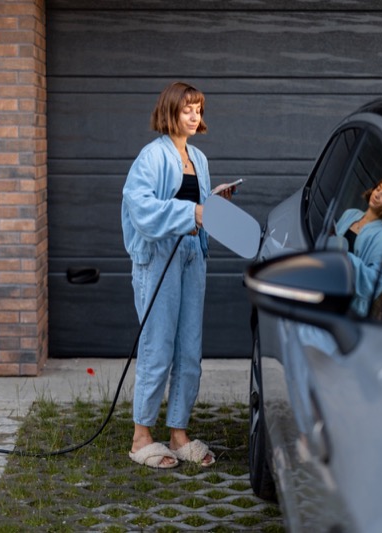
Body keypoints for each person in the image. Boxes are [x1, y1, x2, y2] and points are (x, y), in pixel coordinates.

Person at [121, 81, 234, 469]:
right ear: (170, 111)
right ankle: (141, 437)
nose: (194, 115)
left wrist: (212, 202)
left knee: (189, 347)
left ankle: (179, 432)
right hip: (159, 258)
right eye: (187, 108)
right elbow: (142, 209)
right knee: (158, 346)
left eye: (199, 109)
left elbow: (197, 209)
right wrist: (193, 213)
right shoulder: (150, 158)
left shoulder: (198, 159)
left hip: (191, 257)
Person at [334, 178, 382, 317]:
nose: (377, 195)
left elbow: (373, 283)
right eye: (378, 189)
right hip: (329, 289)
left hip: (350, 309)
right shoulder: (350, 214)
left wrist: (343, 256)